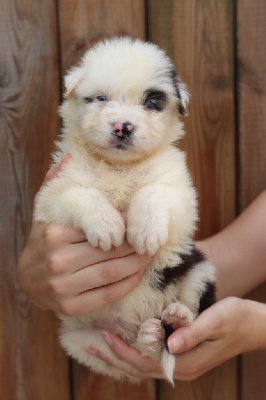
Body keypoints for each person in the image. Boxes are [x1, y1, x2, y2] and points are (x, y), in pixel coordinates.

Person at [17, 157, 266, 381]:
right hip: (113, 325)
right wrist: (52, 270)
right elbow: (233, 257)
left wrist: (254, 326)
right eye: (101, 100)